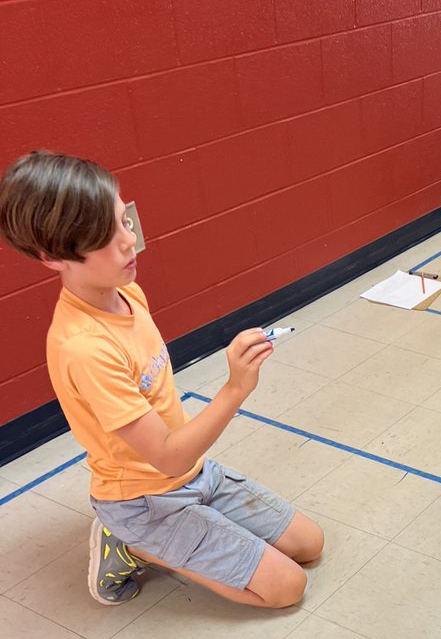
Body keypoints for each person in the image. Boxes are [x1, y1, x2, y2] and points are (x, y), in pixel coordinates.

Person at [0, 151, 323, 607]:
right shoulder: (84, 348)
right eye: (105, 237)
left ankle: (182, 529)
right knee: (286, 588)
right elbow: (168, 458)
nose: (129, 241)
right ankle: (131, 544)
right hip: (143, 501)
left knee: (310, 545)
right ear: (52, 258)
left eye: (124, 221)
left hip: (193, 473)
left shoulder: (127, 291)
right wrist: (235, 388)